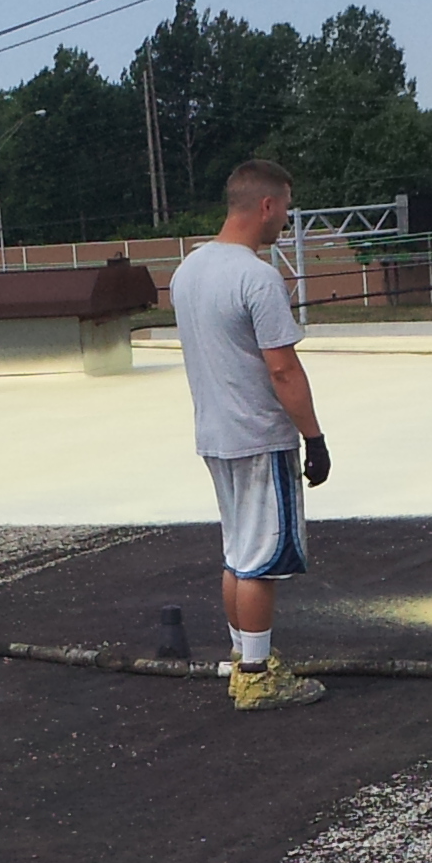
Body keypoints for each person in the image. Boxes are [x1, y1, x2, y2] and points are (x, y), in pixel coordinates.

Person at [170, 158, 332, 711]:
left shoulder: (188, 270)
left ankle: (245, 658)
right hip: (260, 434)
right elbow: (282, 369)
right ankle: (259, 678)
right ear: (266, 205)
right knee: (263, 559)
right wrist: (314, 437)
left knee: (238, 554)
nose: (285, 219)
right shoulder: (257, 277)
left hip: (215, 433)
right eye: (285, 207)